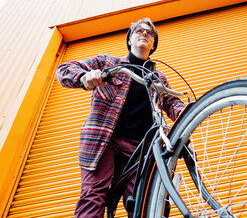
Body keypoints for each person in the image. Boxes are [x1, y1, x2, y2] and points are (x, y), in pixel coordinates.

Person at [55, 18, 185, 218]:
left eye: (149, 33)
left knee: (141, 202)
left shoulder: (158, 78)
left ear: (153, 45)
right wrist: (83, 77)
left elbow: (172, 103)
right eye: (139, 31)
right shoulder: (108, 63)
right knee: (94, 194)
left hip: (138, 148)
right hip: (103, 141)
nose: (144, 34)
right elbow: (65, 69)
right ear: (130, 40)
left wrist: (186, 113)